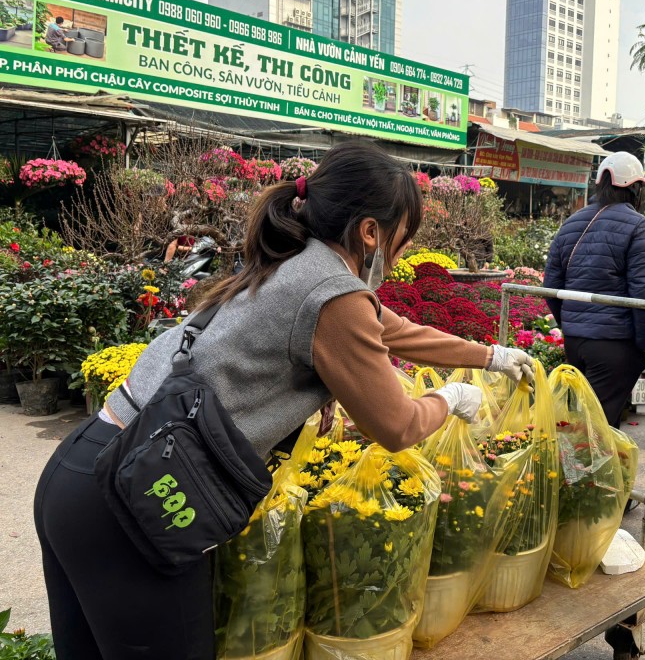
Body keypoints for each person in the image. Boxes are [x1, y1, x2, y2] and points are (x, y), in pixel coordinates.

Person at [34, 142, 535, 660]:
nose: (403, 252)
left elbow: (395, 330)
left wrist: (490, 355)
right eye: (403, 236)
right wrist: (451, 397)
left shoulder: (291, 263)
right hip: (135, 502)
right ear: (371, 232)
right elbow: (397, 426)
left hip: (83, 470)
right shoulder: (332, 292)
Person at [543, 151, 645, 427]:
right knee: (597, 431)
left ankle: (578, 470)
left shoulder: (571, 223)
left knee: (581, 422)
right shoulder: (638, 225)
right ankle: (588, 472)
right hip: (615, 344)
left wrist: (571, 322)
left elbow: (551, 285)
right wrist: (643, 343)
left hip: (576, 342)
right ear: (635, 189)